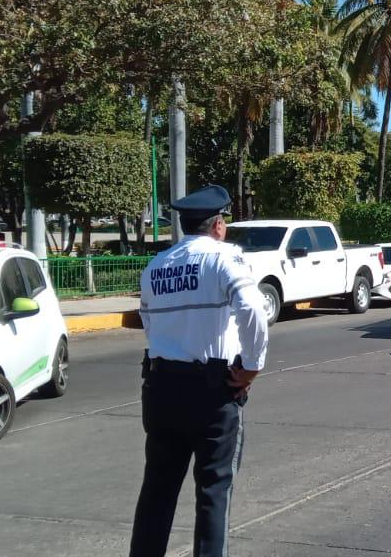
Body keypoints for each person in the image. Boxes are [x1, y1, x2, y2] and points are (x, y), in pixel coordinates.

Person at [130, 185, 270, 557]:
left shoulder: (155, 266)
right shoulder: (224, 258)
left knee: (157, 491)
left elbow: (148, 322)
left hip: (160, 388)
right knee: (213, 491)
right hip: (211, 390)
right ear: (218, 225)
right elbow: (253, 310)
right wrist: (252, 368)